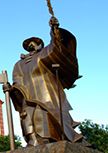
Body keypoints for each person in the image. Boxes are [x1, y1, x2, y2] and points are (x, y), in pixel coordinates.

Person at [10, 14, 83, 146]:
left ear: (39, 45)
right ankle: (33, 141)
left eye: (34, 43)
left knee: (44, 115)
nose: (31, 46)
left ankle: (48, 139)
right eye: (28, 45)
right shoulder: (18, 64)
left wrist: (54, 30)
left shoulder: (44, 54)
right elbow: (16, 81)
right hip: (27, 97)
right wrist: (11, 89)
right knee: (27, 118)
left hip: (47, 94)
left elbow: (56, 47)